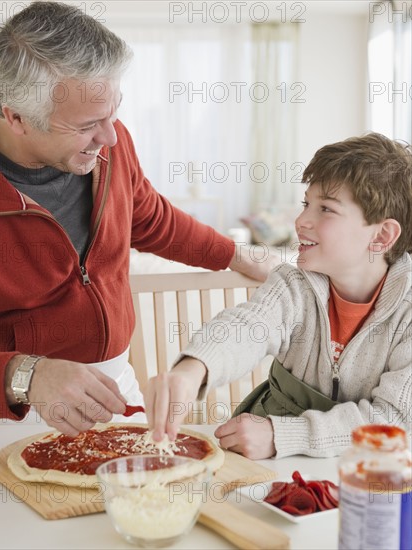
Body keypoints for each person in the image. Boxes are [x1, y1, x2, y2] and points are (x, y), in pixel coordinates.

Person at [0, 1, 277, 436]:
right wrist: (28, 376)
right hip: (3, 407)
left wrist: (233, 254)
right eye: (88, 124)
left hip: (115, 384)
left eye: (114, 112)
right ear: (16, 117)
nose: (111, 136)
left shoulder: (109, 143)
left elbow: (147, 216)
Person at [146, 132, 412, 459]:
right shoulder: (293, 285)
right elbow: (246, 326)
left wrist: (282, 435)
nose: (301, 221)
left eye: (326, 209)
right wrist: (193, 369)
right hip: (265, 463)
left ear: (382, 235)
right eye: (306, 204)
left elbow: (391, 418)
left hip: (362, 468)